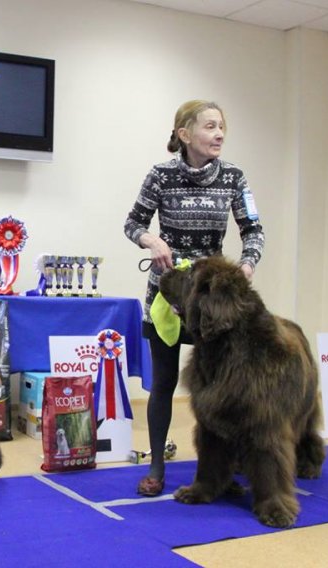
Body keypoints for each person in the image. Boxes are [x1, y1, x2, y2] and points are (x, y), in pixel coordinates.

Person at [123, 100, 265, 496]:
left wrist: (247, 266)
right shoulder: (160, 175)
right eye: (210, 126)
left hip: (215, 303)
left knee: (224, 386)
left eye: (222, 127)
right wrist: (151, 240)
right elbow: (132, 223)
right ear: (185, 134)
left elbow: (253, 230)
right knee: (164, 383)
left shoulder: (235, 177)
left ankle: (227, 464)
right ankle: (156, 466)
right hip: (167, 296)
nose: (219, 134)